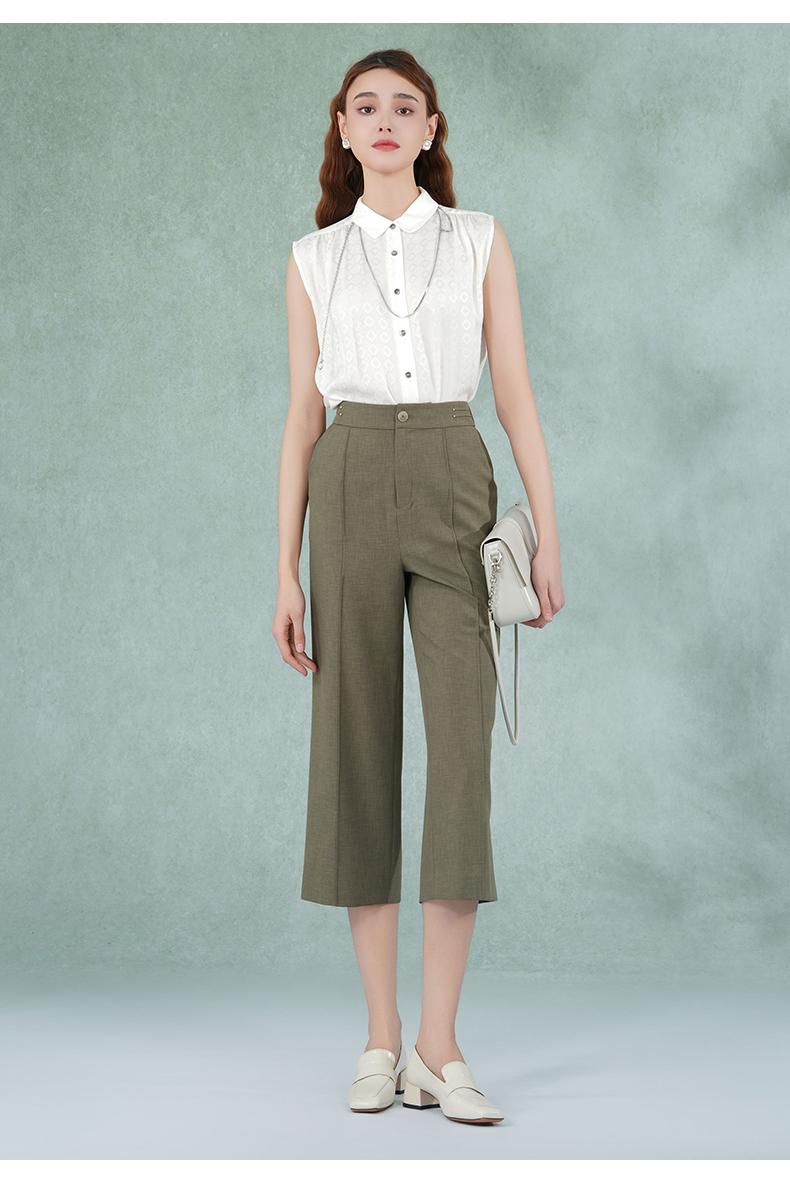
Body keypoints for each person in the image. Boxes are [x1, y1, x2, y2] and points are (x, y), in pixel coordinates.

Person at [273, 48, 564, 1124]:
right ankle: (380, 1035)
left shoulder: (479, 238)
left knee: (460, 754)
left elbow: (516, 392)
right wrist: (282, 567)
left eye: (406, 106)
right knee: (355, 746)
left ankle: (439, 1043)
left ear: (431, 128)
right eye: (366, 107)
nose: (386, 120)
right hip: (348, 476)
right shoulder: (312, 258)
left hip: (453, 471)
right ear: (344, 130)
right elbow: (301, 418)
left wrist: (547, 531)